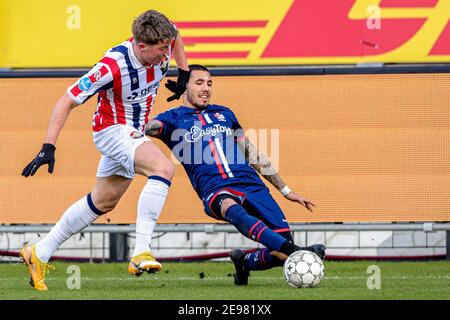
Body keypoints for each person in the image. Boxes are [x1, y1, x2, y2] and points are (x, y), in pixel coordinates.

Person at [20, 10, 190, 291]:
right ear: (141, 45)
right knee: (163, 168)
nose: (164, 57)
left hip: (133, 132)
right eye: (160, 51)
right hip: (111, 131)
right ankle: (141, 252)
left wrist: (184, 71)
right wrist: (48, 146)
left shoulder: (165, 37)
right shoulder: (112, 66)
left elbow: (176, 31)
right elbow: (66, 101)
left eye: (166, 49)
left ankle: (38, 252)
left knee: (103, 202)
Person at [145, 64, 326, 286]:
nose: (206, 88)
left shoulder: (225, 114)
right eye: (199, 82)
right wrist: (142, 99)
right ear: (184, 87)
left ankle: (245, 261)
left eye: (210, 83)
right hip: (215, 188)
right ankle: (299, 252)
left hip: (252, 184)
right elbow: (146, 127)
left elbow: (252, 153)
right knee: (233, 209)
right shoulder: (172, 119)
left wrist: (286, 190)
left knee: (280, 249)